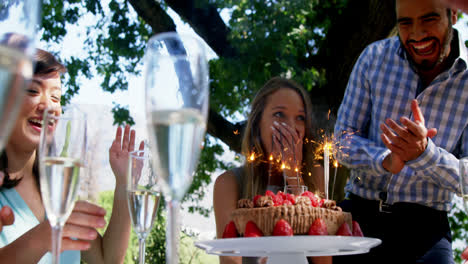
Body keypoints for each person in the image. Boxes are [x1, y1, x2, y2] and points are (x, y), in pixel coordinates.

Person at [333, 0, 468, 263]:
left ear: (453, 15)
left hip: (427, 230)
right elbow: (341, 140)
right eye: (405, 23)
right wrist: (385, 160)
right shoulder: (374, 57)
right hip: (358, 215)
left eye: (428, 19)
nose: (416, 34)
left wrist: (425, 156)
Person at [0, 48, 141, 263]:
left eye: (56, 97)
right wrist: (42, 238)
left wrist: (124, 183)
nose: (49, 106)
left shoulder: (56, 191)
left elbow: (107, 260)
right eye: (32, 91)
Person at [214, 77, 330, 264]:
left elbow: (323, 260)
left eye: (300, 118)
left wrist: (294, 178)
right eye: (279, 114)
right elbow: (229, 259)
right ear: (258, 124)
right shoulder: (229, 183)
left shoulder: (316, 175)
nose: (291, 127)